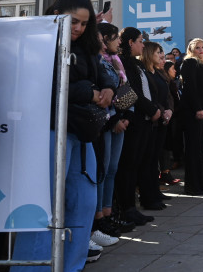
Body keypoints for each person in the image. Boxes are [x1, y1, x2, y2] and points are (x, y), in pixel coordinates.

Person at [14, 0, 114, 269]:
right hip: (48, 129)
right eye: (75, 21)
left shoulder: (87, 46)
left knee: (83, 203)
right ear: (57, 14)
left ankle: (72, 266)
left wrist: (107, 86)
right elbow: (41, 83)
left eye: (84, 23)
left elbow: (106, 70)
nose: (79, 28)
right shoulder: (39, 39)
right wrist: (88, 91)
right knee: (44, 208)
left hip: (81, 133)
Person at [115, 27, 160, 225]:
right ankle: (126, 208)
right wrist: (151, 110)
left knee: (137, 163)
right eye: (140, 41)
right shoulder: (125, 62)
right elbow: (132, 92)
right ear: (130, 42)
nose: (143, 44)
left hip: (144, 119)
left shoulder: (136, 63)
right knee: (129, 165)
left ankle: (132, 206)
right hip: (135, 119)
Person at [92, 23, 130, 241]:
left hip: (119, 119)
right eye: (115, 38)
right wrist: (115, 118)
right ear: (104, 39)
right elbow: (104, 91)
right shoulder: (100, 61)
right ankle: (99, 218)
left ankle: (108, 212)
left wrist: (125, 116)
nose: (119, 42)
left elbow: (124, 89)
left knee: (112, 169)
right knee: (102, 170)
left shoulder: (116, 62)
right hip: (106, 121)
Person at [179, 38, 203, 196]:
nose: (201, 50)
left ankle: (200, 181)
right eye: (197, 48)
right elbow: (191, 87)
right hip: (195, 112)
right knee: (193, 149)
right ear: (191, 50)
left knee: (200, 148)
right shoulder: (190, 63)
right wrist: (198, 108)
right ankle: (192, 185)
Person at [139, 42, 172, 210]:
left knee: (155, 159)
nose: (161, 55)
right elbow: (149, 97)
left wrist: (169, 110)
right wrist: (160, 110)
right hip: (151, 119)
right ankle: (148, 196)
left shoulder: (158, 73)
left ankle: (155, 192)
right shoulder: (144, 72)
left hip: (162, 120)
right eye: (158, 52)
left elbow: (167, 96)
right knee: (148, 160)